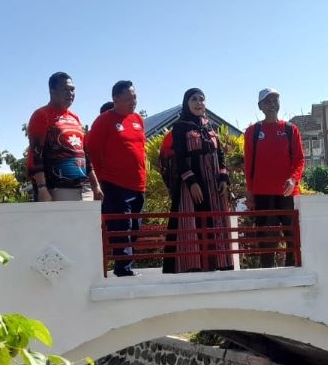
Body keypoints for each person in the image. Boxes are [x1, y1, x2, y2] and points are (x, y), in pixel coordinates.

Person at [163, 88, 234, 273]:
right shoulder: (180, 127)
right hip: (192, 186)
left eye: (201, 99)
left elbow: (219, 153)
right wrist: (192, 182)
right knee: (193, 223)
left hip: (214, 185)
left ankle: (217, 264)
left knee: (215, 223)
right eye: (194, 99)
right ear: (186, 102)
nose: (198, 102)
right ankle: (193, 267)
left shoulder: (209, 126)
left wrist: (224, 177)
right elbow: (180, 156)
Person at [85, 82, 147, 276]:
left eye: (135, 97)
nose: (133, 102)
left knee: (135, 227)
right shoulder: (104, 120)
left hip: (138, 185)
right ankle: (123, 270)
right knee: (122, 228)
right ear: (116, 99)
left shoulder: (137, 119)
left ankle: (126, 266)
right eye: (128, 98)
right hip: (115, 185)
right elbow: (91, 151)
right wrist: (101, 180)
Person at [243, 88, 304, 268]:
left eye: (275, 100)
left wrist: (293, 179)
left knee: (293, 238)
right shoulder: (252, 132)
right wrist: (250, 191)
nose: (272, 104)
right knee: (266, 241)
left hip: (288, 193)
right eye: (267, 101)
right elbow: (248, 165)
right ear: (260, 106)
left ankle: (292, 273)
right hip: (263, 194)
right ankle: (268, 276)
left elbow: (299, 160)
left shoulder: (290, 129)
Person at [27, 72, 103, 202]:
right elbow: (35, 155)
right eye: (65, 89)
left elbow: (85, 154)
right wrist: (42, 188)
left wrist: (95, 185)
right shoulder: (41, 115)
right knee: (60, 222)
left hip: (84, 188)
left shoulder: (75, 118)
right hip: (57, 189)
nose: (70, 93)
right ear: (52, 91)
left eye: (72, 89)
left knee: (87, 223)